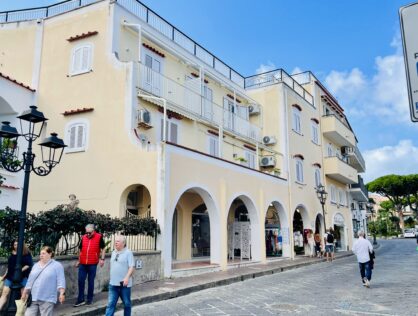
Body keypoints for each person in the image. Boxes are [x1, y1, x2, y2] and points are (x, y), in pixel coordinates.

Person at [21, 246, 66, 316]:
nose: (41, 255)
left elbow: (61, 281)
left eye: (43, 253)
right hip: (34, 296)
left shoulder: (57, 265)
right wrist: (24, 292)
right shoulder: (36, 265)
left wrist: (62, 294)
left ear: (50, 254)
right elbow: (30, 280)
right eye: (40, 254)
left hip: (47, 298)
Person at [74, 224, 105, 307]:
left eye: (89, 233)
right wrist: (79, 261)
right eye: (86, 232)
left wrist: (102, 259)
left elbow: (103, 248)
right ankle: (80, 299)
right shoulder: (83, 237)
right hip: (83, 263)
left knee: (90, 281)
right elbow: (80, 250)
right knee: (81, 281)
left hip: (93, 263)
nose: (87, 234)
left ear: (93, 231)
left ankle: (89, 299)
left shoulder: (99, 237)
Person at [105, 235, 135, 316]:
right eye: (115, 241)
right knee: (110, 304)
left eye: (118, 241)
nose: (115, 242)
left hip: (124, 284)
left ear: (123, 243)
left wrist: (126, 278)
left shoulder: (128, 253)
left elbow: (131, 267)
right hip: (113, 284)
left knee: (127, 304)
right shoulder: (113, 252)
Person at [0, 241, 33, 311]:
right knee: (4, 293)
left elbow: (28, 265)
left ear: (22, 245)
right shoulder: (12, 254)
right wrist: (4, 276)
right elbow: (9, 267)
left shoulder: (26, 253)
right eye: (14, 245)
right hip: (10, 277)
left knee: (23, 295)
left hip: (22, 277)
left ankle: (21, 312)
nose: (16, 246)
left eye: (18, 244)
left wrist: (18, 271)